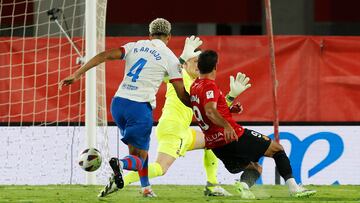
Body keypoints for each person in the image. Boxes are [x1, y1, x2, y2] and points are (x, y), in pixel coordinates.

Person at [59, 18, 202, 197]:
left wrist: (77, 74)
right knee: (139, 159)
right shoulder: (170, 57)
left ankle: (146, 188)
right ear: (169, 37)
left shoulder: (134, 46)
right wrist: (200, 105)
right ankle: (120, 164)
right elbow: (182, 95)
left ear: (150, 35)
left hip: (118, 104)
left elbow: (104, 56)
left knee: (140, 149)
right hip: (139, 108)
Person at [189, 50, 317, 199]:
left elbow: (205, 110)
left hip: (216, 146)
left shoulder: (195, 86)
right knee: (277, 150)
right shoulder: (209, 86)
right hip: (232, 136)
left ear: (199, 67)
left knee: (255, 167)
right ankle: (295, 189)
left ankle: (243, 186)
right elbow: (210, 111)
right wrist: (227, 126)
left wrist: (228, 108)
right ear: (215, 67)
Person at [121, 52, 251, 196]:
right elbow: (167, 70)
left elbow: (210, 111)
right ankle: (121, 180)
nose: (198, 64)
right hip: (174, 129)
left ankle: (212, 185)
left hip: (182, 129)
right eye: (194, 61)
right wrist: (182, 56)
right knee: (160, 169)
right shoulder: (181, 76)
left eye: (199, 62)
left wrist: (230, 99)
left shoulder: (198, 85)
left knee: (211, 141)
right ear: (185, 65)